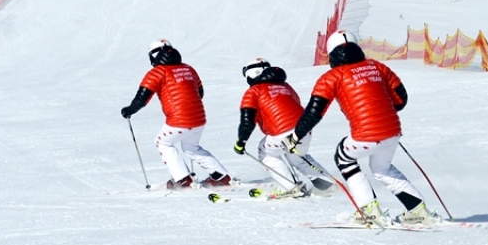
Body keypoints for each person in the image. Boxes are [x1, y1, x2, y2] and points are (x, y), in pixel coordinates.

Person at [286, 31, 434, 225]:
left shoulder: (331, 77)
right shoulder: (377, 67)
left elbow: (314, 113)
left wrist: (296, 136)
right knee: (382, 168)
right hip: (393, 131)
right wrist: (383, 111)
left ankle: (369, 209)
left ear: (331, 53)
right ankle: (417, 210)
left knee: (344, 157)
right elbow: (401, 99)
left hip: (366, 134)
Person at [121, 40, 230, 189]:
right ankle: (221, 176)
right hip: (199, 119)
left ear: (153, 56)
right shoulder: (188, 69)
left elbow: (142, 98)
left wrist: (129, 110)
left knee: (163, 143)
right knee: (191, 148)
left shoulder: (157, 72)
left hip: (179, 121)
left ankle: (182, 179)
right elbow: (200, 93)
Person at [235, 59, 331, 195]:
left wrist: (241, 142)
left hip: (281, 133)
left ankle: (290, 188)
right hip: (304, 129)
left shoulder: (253, 92)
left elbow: (247, 121)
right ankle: (327, 184)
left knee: (266, 154)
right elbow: (296, 102)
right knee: (296, 157)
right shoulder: (285, 86)